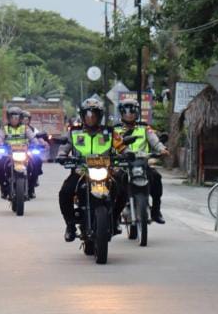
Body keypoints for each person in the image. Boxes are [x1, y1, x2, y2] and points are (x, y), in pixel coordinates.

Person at [57, 97, 124, 242]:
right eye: (88, 115)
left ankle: (115, 218)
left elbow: (122, 146)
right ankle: (70, 225)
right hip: (81, 171)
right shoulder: (74, 132)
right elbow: (64, 148)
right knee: (65, 193)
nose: (91, 118)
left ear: (100, 116)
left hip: (106, 171)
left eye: (94, 115)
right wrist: (62, 156)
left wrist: (127, 154)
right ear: (82, 116)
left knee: (123, 190)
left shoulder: (110, 132)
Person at [112, 97, 170, 224]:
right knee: (113, 184)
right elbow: (109, 145)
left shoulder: (144, 128)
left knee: (156, 178)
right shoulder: (115, 130)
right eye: (126, 111)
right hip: (122, 165)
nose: (129, 114)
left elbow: (154, 140)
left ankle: (156, 211)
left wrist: (162, 149)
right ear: (121, 113)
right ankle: (113, 215)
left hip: (142, 163)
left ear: (137, 112)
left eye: (132, 111)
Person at [0, 106, 38, 199]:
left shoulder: (25, 128)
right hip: (9, 154)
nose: (14, 119)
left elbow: (33, 138)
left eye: (17, 117)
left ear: (20, 118)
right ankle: (4, 188)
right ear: (9, 118)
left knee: (36, 165)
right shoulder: (4, 128)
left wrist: (36, 144)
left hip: (24, 153)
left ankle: (31, 189)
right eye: (12, 117)